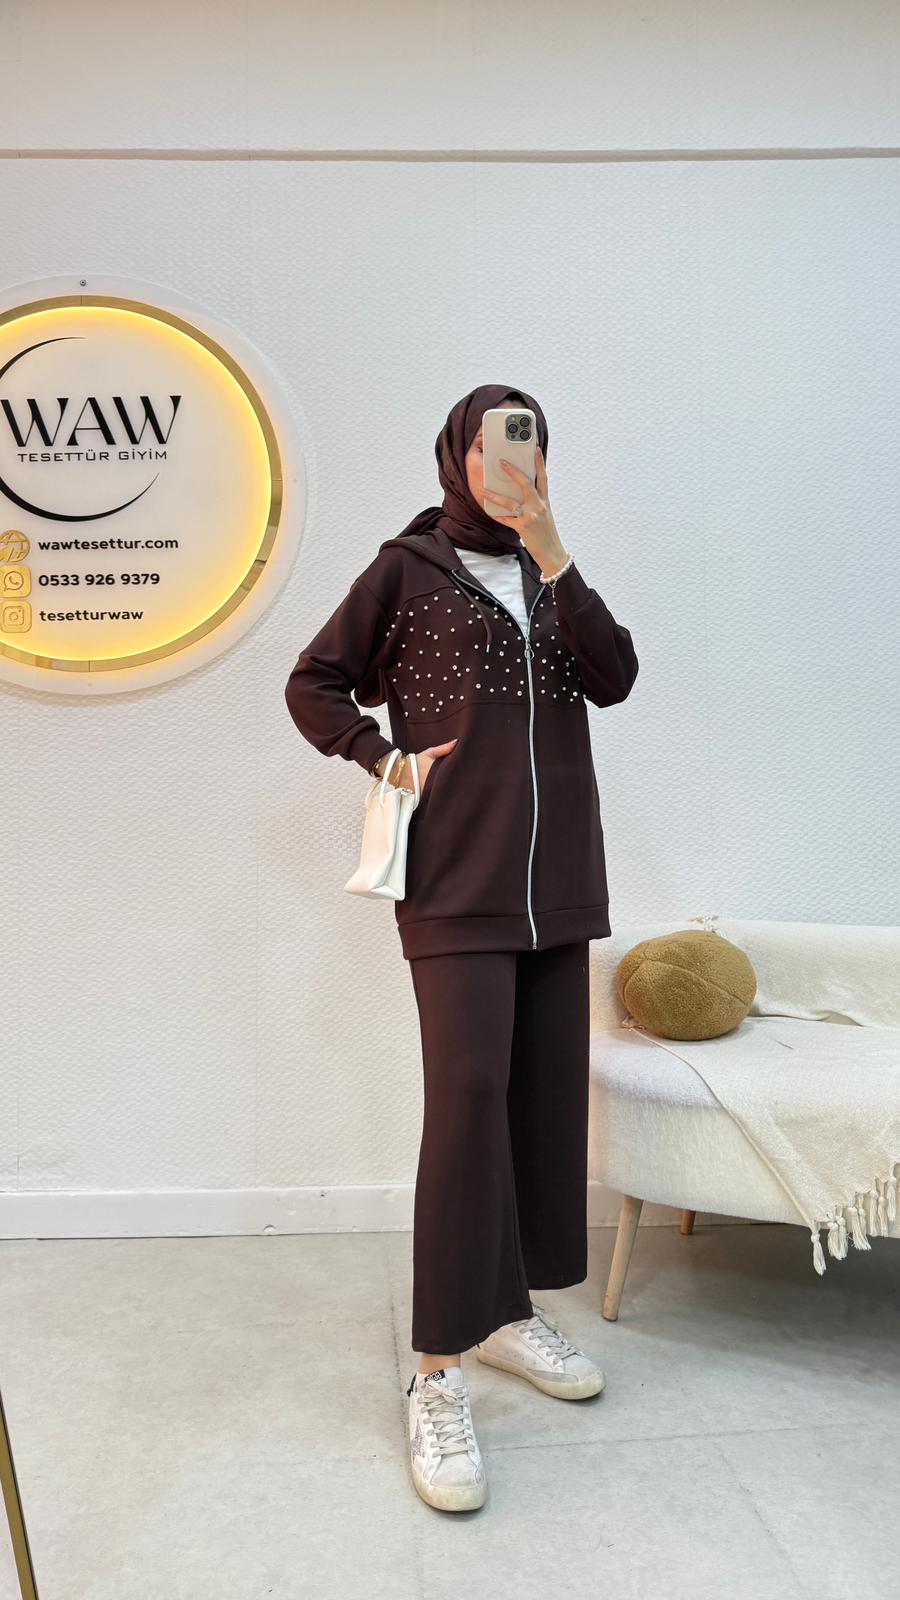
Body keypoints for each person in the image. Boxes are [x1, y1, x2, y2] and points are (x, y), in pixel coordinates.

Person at [284, 383, 639, 1512]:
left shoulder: (550, 573)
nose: (511, 463)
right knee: (469, 1098)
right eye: (495, 443)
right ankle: (436, 1369)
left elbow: (616, 677)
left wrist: (555, 547)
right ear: (457, 454)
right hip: (455, 882)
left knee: (539, 1102)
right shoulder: (406, 569)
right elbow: (312, 680)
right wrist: (381, 756)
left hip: (559, 885)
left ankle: (506, 1315)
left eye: (530, 443)